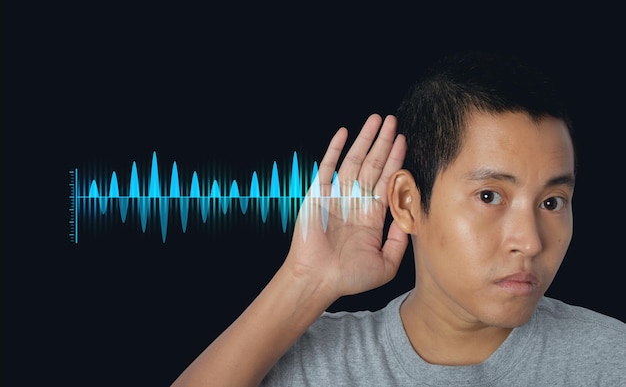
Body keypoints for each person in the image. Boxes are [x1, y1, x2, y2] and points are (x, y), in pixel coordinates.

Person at [171, 51, 626, 386]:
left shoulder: (611, 359)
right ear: (408, 203)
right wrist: (304, 279)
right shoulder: (311, 362)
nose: (529, 242)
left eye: (552, 202)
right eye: (490, 196)